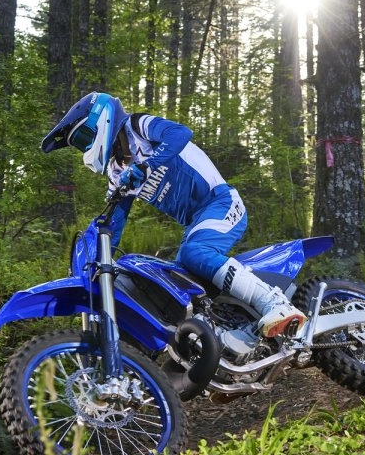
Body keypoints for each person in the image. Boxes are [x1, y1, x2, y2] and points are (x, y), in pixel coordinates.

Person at [41, 91, 307, 338]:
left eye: (84, 138)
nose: (85, 148)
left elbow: (180, 133)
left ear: (101, 120)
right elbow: (114, 224)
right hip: (196, 223)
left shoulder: (138, 126)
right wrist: (97, 262)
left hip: (221, 202)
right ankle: (225, 334)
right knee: (176, 281)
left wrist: (148, 165)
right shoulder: (117, 173)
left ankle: (274, 303)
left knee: (195, 254)